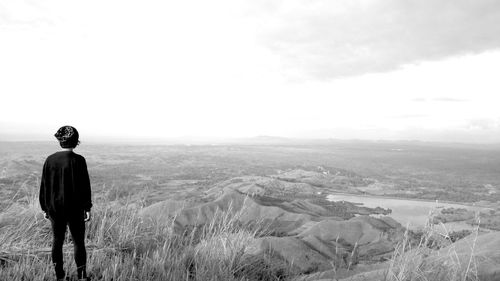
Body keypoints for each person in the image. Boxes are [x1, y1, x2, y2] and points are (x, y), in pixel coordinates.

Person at [39, 126, 92, 281]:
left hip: (54, 208)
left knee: (57, 240)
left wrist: (44, 207)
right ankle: (82, 276)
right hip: (75, 208)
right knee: (78, 242)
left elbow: (44, 185)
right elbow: (84, 186)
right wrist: (87, 207)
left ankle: (59, 276)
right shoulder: (79, 160)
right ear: (76, 141)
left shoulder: (50, 160)